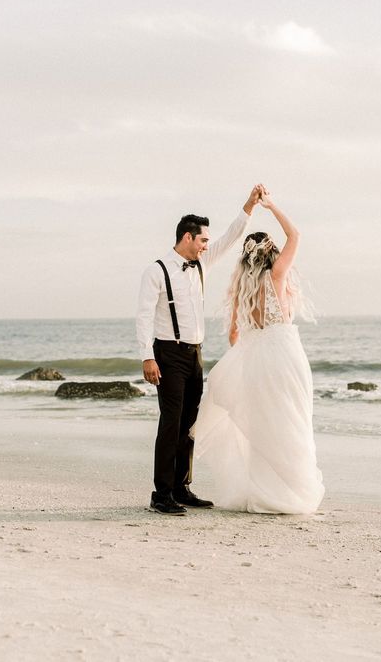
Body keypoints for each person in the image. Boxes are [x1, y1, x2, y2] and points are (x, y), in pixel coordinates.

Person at [193, 188, 324, 514]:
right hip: (284, 357)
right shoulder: (277, 275)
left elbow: (235, 335)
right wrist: (270, 205)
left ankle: (260, 493)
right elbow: (296, 234)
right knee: (290, 423)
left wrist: (245, 365)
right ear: (271, 253)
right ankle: (290, 494)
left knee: (259, 427)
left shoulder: (241, 287)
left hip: (254, 360)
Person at [136, 186, 263, 515]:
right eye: (203, 240)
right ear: (188, 237)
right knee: (171, 421)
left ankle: (183, 487)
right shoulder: (157, 270)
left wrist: (248, 206)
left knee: (190, 422)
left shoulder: (202, 264)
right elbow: (143, 317)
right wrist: (147, 357)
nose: (207, 244)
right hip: (167, 353)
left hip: (195, 354)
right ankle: (161, 494)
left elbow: (232, 236)